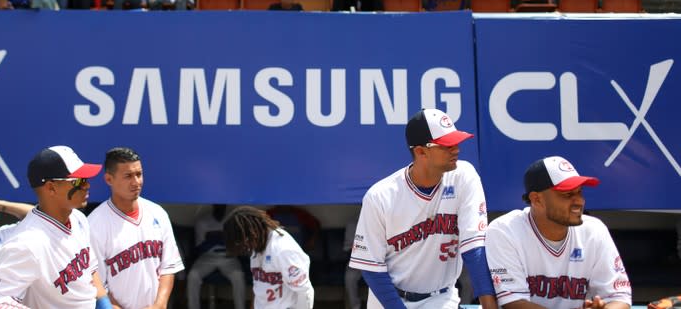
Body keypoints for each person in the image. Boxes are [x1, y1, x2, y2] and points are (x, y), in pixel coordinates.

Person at [348, 108, 496, 309]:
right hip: (390, 299)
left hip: (441, 297)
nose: (456, 149)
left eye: (456, 142)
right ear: (421, 152)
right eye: (447, 145)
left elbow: (474, 248)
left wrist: (489, 304)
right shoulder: (381, 196)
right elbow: (371, 267)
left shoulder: (464, 177)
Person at [485, 156, 632, 309]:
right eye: (567, 195)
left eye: (579, 192)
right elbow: (514, 304)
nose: (579, 201)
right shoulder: (505, 230)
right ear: (537, 199)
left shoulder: (594, 230)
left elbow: (619, 297)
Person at [0, 145, 112, 309]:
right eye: (78, 180)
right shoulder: (28, 242)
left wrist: (104, 304)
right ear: (51, 187)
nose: (86, 185)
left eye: (86, 179)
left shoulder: (78, 218)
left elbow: (89, 271)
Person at [89, 147, 184, 309]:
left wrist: (159, 304)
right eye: (128, 176)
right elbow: (97, 286)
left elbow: (169, 267)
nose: (136, 182)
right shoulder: (94, 224)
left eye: (139, 174)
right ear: (109, 179)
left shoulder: (157, 213)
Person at [223, 206, 314, 309]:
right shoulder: (257, 243)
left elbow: (304, 291)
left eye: (243, 242)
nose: (245, 247)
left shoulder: (283, 249)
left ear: (251, 233)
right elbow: (259, 285)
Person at [186, 205, 247, 309]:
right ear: (213, 206)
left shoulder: (233, 219)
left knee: (238, 275)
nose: (220, 208)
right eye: (217, 205)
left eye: (222, 206)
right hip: (208, 256)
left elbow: (238, 244)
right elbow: (200, 247)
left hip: (229, 256)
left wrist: (213, 238)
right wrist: (222, 238)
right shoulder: (203, 221)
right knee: (193, 275)